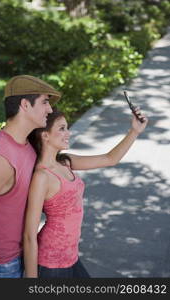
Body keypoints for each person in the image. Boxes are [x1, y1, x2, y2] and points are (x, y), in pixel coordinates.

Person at [23, 106, 148, 278]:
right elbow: (29, 235)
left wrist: (134, 131)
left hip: (71, 256)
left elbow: (109, 159)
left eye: (67, 128)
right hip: (51, 261)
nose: (68, 133)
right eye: (62, 128)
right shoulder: (42, 176)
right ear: (45, 135)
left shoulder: (65, 162)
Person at [0, 75, 61, 278]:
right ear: (25, 104)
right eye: (45, 102)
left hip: (19, 258)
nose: (50, 109)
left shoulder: (26, 145)